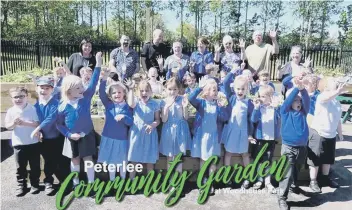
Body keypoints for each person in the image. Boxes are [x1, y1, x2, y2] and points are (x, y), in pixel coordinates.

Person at [57, 52, 102, 192]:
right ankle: (76, 182)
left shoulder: (85, 98)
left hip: (87, 134)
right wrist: (69, 135)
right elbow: (59, 124)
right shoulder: (63, 106)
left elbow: (94, 82)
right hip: (72, 138)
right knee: (75, 160)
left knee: (88, 160)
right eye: (78, 88)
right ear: (68, 91)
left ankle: (91, 183)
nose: (82, 89)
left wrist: (99, 64)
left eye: (81, 87)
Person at [188, 77, 228, 195]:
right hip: (202, 136)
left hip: (214, 137)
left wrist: (221, 107)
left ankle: (210, 182)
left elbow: (224, 118)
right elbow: (191, 98)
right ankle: (203, 182)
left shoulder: (218, 105)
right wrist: (199, 88)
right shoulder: (201, 103)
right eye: (213, 90)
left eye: (216, 90)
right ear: (206, 92)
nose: (215, 92)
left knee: (213, 160)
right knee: (203, 160)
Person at [307, 77, 346, 193]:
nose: (337, 81)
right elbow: (327, 97)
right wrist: (338, 91)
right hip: (318, 132)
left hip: (331, 134)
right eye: (333, 81)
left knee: (328, 159)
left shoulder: (336, 101)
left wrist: (340, 133)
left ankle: (324, 178)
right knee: (315, 159)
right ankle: (313, 181)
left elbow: (338, 119)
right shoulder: (321, 97)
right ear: (326, 86)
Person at [277, 78, 310, 210]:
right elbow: (287, 101)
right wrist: (296, 88)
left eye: (299, 100)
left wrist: (302, 89)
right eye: (295, 100)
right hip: (288, 147)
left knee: (297, 169)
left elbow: (307, 99)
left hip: (302, 147)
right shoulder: (285, 111)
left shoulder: (303, 112)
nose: (298, 102)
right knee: (286, 173)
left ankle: (292, 185)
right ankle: (282, 198)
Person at [97, 72, 133, 182]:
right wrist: (103, 80)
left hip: (121, 139)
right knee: (111, 162)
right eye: (114, 93)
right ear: (110, 95)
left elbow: (131, 122)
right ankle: (112, 181)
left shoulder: (128, 107)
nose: (117, 94)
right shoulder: (109, 104)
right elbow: (101, 94)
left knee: (122, 162)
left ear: (124, 94)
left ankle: (122, 181)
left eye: (119, 92)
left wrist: (124, 117)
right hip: (108, 137)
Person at [5, 87, 40, 196]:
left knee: (34, 165)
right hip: (18, 143)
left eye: (21, 96)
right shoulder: (11, 111)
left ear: (27, 97)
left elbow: (38, 124)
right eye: (16, 97)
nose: (19, 99)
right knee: (20, 167)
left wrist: (25, 123)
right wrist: (14, 123)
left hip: (33, 142)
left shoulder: (33, 109)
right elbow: (8, 126)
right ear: (12, 99)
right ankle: (22, 185)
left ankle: (35, 184)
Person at [221, 72, 254, 189]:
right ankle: (226, 176)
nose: (240, 91)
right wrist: (233, 71)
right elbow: (225, 83)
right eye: (238, 89)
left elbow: (251, 120)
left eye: (243, 89)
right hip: (232, 131)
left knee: (245, 154)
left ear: (247, 89)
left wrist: (250, 134)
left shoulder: (249, 103)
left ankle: (248, 177)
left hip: (243, 133)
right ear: (234, 89)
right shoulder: (231, 98)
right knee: (228, 153)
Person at [125, 79, 161, 180]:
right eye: (141, 91)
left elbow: (157, 120)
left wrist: (152, 125)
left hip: (149, 134)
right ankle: (131, 180)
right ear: (138, 92)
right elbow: (130, 103)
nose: (144, 93)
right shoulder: (136, 102)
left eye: (146, 90)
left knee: (150, 160)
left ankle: (149, 181)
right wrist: (131, 89)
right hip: (137, 133)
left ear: (151, 92)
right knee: (134, 159)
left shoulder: (154, 104)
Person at [250, 85, 281, 193]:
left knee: (268, 161)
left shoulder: (275, 108)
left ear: (270, 97)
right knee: (258, 161)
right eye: (260, 96)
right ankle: (259, 179)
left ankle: (268, 182)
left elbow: (279, 118)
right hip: (260, 139)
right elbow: (253, 119)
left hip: (271, 139)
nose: (260, 98)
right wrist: (256, 107)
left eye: (263, 96)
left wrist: (276, 107)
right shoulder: (259, 107)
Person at [160, 78, 192, 174]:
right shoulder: (163, 101)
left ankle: (178, 179)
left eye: (175, 89)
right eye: (170, 89)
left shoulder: (182, 99)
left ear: (179, 89)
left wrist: (185, 107)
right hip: (168, 130)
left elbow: (186, 117)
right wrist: (166, 107)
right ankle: (170, 180)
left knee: (178, 156)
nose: (172, 92)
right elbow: (164, 120)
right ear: (166, 89)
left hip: (180, 129)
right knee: (170, 156)